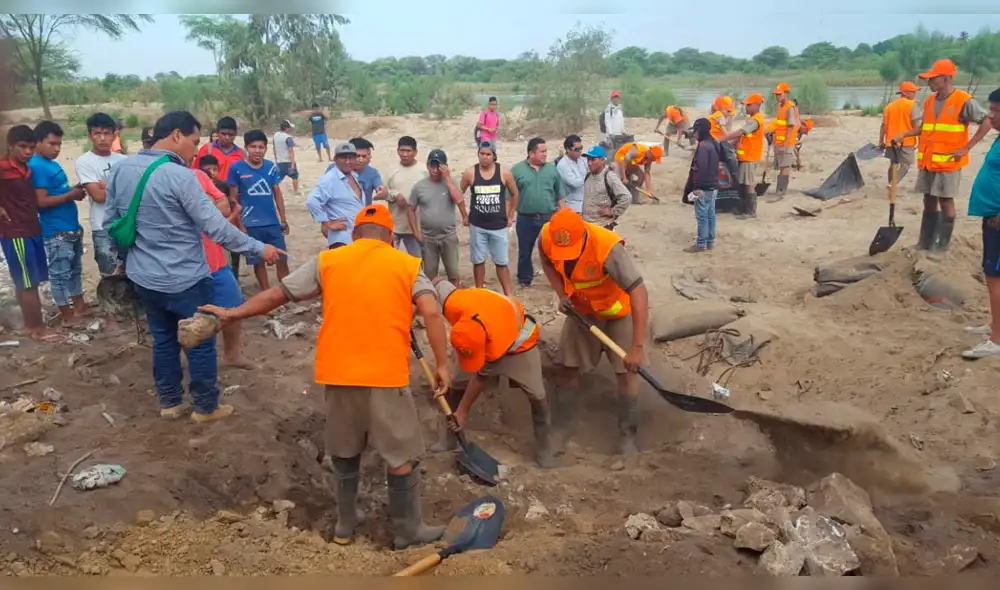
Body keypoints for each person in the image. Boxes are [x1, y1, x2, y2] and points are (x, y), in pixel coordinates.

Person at [198, 205, 451, 550]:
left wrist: (231, 313)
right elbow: (432, 311)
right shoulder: (406, 264)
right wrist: (442, 364)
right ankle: (408, 530)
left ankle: (346, 525)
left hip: (339, 373)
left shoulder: (328, 261)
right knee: (401, 457)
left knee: (345, 453)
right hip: (385, 376)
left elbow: (279, 294)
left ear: (354, 235)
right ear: (391, 238)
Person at [103, 110, 283, 422]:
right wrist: (260, 248)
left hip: (145, 278)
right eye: (193, 141)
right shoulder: (181, 177)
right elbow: (217, 228)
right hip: (186, 278)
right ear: (175, 135)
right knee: (198, 339)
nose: (196, 150)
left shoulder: (122, 170)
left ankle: (170, 402)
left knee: (163, 339)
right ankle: (206, 407)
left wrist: (125, 263)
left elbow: (112, 224)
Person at [538, 208, 650, 455]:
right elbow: (547, 262)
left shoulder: (608, 248)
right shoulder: (546, 237)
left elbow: (639, 292)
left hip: (618, 313)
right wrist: (562, 294)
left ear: (584, 236)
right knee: (567, 367)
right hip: (582, 311)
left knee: (626, 373)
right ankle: (563, 426)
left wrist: (637, 347)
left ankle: (627, 437)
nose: (566, 257)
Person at [432, 278, 553, 468]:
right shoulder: (454, 302)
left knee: (537, 394)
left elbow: (481, 376)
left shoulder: (496, 344)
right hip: (486, 328)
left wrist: (462, 412)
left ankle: (545, 450)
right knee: (456, 385)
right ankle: (450, 439)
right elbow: (436, 283)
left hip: (520, 344)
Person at [893, 59, 992, 260]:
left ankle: (942, 246)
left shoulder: (964, 100)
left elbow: (987, 121)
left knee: (946, 201)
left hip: (948, 162)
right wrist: (903, 134)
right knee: (928, 200)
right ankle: (925, 242)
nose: (928, 83)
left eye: (932, 79)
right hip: (928, 161)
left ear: (945, 79)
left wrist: (966, 148)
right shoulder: (929, 101)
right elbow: (924, 128)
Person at [29, 121, 89, 327]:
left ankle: (79, 307)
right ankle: (67, 315)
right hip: (56, 231)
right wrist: (70, 195)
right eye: (52, 144)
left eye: (59, 144)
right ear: (37, 142)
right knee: (60, 275)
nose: (57, 149)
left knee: (74, 271)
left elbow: (56, 192)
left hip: (70, 227)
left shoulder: (51, 164)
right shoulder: (36, 166)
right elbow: (40, 202)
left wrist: (73, 191)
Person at [0, 125, 57, 341]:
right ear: (10, 146)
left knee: (29, 278)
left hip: (32, 228)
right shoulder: (3, 167)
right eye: (22, 147)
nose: (27, 152)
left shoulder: (26, 168)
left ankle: (29, 322)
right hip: (15, 233)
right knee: (27, 282)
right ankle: (36, 328)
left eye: (31, 148)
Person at [194, 165, 250, 369]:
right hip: (185, 266)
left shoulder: (198, 175)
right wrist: (205, 207)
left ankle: (232, 355)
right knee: (189, 315)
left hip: (216, 259)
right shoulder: (155, 178)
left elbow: (225, 206)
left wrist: (201, 209)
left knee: (234, 306)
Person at [963, 87, 1000, 359]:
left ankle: (996, 340)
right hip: (991, 217)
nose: (991, 115)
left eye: (997, 110)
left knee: (995, 278)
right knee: (992, 276)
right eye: (992, 109)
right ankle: (995, 325)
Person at [228, 130, 289, 291]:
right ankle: (266, 292)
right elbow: (233, 199)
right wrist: (239, 224)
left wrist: (283, 219)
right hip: (250, 224)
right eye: (253, 146)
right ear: (246, 147)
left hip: (272, 222)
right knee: (258, 261)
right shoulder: (236, 168)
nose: (257, 150)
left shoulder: (271, 167)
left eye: (261, 147)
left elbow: (277, 193)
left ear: (266, 148)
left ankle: (286, 292)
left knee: (282, 258)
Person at [460, 140, 518, 295]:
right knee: (478, 261)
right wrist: (464, 215)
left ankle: (508, 294)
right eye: (482, 154)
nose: (484, 157)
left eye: (488, 154)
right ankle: (479, 292)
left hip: (498, 226)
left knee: (501, 262)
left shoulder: (503, 172)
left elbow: (515, 193)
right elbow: (459, 194)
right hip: (477, 225)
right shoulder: (470, 173)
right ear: (478, 154)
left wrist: (510, 215)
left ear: (494, 156)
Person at [76, 112, 127, 279]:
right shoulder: (84, 162)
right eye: (97, 133)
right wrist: (118, 184)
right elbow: (98, 196)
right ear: (90, 136)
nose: (103, 138)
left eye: (107, 133)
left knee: (131, 274)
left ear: (114, 135)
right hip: (102, 227)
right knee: (110, 278)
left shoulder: (124, 161)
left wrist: (106, 184)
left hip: (125, 225)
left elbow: (133, 191)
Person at [511, 138, 565, 289]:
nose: (545, 154)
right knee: (525, 250)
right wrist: (508, 216)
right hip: (525, 218)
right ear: (531, 153)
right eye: (542, 151)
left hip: (549, 218)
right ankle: (524, 280)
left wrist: (565, 214)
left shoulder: (552, 170)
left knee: (554, 251)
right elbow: (510, 195)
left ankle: (558, 280)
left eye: (546, 151)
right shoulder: (517, 170)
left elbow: (559, 194)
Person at [409, 149, 467, 287]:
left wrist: (447, 180)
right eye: (432, 165)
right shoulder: (420, 186)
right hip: (428, 237)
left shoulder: (451, 182)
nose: (435, 170)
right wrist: (416, 233)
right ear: (428, 166)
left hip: (448, 235)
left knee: (453, 272)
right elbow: (410, 209)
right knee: (429, 274)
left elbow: (459, 201)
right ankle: (433, 300)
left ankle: (455, 298)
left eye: (438, 166)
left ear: (444, 167)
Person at [307, 142, 365, 249]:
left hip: (357, 237)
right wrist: (326, 222)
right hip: (341, 239)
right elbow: (312, 201)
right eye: (343, 158)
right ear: (335, 159)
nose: (348, 161)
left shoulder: (354, 176)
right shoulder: (330, 179)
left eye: (351, 158)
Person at [720, 93, 766, 220]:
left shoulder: (756, 120)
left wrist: (724, 138)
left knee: (749, 184)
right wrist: (730, 143)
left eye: (748, 105)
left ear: (757, 105)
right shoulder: (752, 119)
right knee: (743, 183)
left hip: (750, 157)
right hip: (745, 157)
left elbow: (741, 132)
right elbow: (743, 137)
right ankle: (743, 208)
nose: (746, 107)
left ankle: (750, 211)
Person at [381, 136, 425, 257]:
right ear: (397, 151)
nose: (405, 154)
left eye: (408, 151)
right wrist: (394, 195)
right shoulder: (391, 170)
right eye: (402, 150)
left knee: (417, 261)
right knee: (389, 259)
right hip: (394, 224)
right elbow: (382, 192)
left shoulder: (424, 171)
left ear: (415, 152)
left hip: (415, 226)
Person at [684, 118, 720, 253]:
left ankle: (701, 245)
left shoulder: (704, 147)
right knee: (711, 215)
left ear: (701, 131)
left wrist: (697, 188)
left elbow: (700, 169)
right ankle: (710, 242)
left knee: (702, 217)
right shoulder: (714, 143)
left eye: (696, 131)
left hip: (703, 187)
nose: (694, 134)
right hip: (713, 185)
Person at [580, 145, 631, 229]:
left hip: (602, 226)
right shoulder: (588, 176)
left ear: (602, 160)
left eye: (593, 159)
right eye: (588, 159)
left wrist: (613, 211)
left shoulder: (609, 176)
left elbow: (626, 197)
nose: (589, 163)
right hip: (587, 225)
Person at [770, 82, 800, 201]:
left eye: (779, 94)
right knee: (781, 166)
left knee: (784, 167)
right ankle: (779, 190)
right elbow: (779, 125)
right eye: (776, 94)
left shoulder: (790, 107)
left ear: (786, 94)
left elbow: (791, 127)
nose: (777, 96)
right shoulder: (780, 106)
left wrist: (785, 144)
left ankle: (781, 192)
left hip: (786, 143)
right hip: (779, 142)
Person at [192, 116, 244, 182]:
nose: (227, 137)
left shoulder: (241, 154)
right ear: (217, 132)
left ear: (236, 134)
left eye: (231, 134)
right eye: (223, 134)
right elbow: (194, 172)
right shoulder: (206, 150)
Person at [344, 137, 385, 206]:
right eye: (357, 156)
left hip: (364, 214)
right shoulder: (335, 169)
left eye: (364, 156)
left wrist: (382, 192)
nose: (361, 160)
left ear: (369, 156)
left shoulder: (373, 173)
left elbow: (380, 188)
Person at [556, 135, 588, 214]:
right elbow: (575, 183)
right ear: (568, 149)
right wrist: (589, 175)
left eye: (581, 148)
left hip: (586, 204)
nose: (580, 151)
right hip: (574, 207)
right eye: (577, 149)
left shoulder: (582, 160)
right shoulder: (562, 165)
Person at [273, 119, 300, 196]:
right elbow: (291, 151)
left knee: (278, 179)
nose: (290, 129)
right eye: (289, 127)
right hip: (288, 162)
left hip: (279, 162)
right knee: (295, 176)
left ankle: (274, 191)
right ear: (287, 128)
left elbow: (274, 148)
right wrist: (292, 164)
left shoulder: (276, 136)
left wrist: (276, 160)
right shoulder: (288, 137)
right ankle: (295, 191)